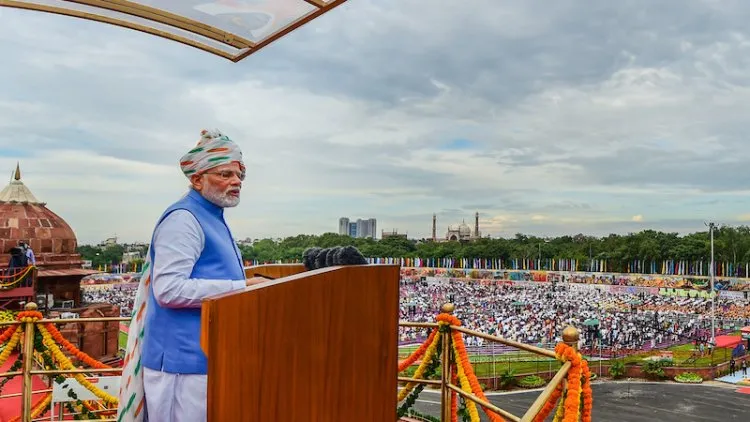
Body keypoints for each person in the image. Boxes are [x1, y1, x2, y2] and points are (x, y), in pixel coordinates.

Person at [117, 129, 268, 422]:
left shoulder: (212, 217)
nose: (236, 181)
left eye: (239, 176)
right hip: (181, 366)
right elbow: (170, 289)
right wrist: (243, 287)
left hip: (205, 360)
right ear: (197, 180)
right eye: (225, 175)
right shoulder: (184, 220)